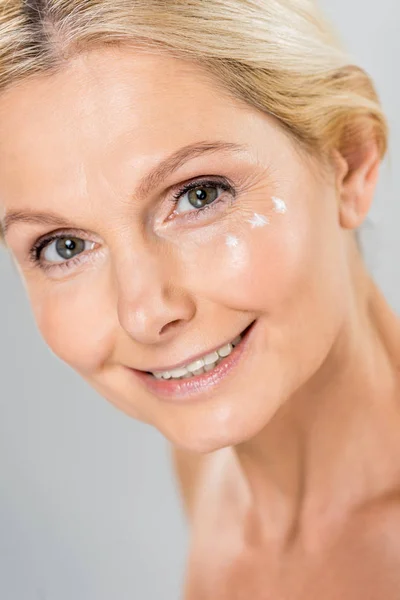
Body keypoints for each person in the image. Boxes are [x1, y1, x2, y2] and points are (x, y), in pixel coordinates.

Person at [0, 0, 399, 597]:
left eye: (199, 195)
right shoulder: (209, 467)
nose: (145, 312)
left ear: (349, 159)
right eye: (63, 246)